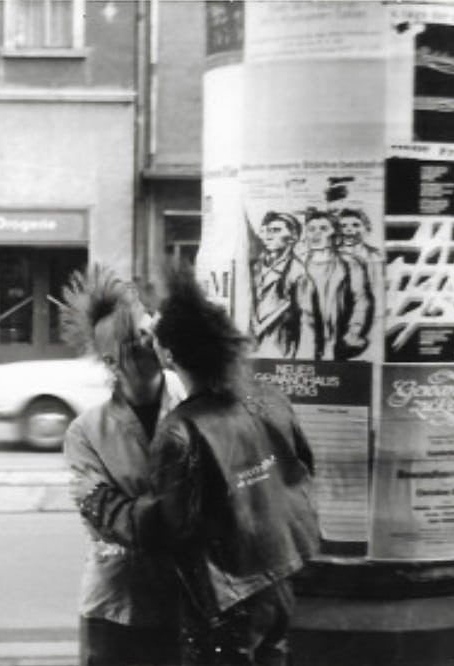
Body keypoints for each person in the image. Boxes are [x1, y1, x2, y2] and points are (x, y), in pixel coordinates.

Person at [77, 265, 320, 666]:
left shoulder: (182, 429)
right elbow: (302, 469)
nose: (148, 340)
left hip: (228, 597)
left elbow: (169, 527)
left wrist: (103, 505)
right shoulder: (269, 398)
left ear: (169, 354)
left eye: (154, 336)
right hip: (280, 577)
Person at [60, 265, 185, 666]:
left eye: (150, 329)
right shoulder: (86, 433)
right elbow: (110, 522)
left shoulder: (195, 403)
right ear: (111, 362)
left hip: (190, 603)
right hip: (117, 608)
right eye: (136, 338)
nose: (150, 341)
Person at [297, 209, 374, 361]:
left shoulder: (350, 263)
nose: (316, 234)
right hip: (304, 339)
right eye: (311, 229)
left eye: (323, 228)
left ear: (336, 235)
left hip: (337, 338)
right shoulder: (298, 263)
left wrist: (354, 331)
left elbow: (361, 300)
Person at [249, 212, 315, 358]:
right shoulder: (254, 266)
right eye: (267, 231)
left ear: (293, 237)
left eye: (276, 230)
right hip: (250, 348)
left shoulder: (298, 272)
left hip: (279, 348)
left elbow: (306, 319)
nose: (268, 236)